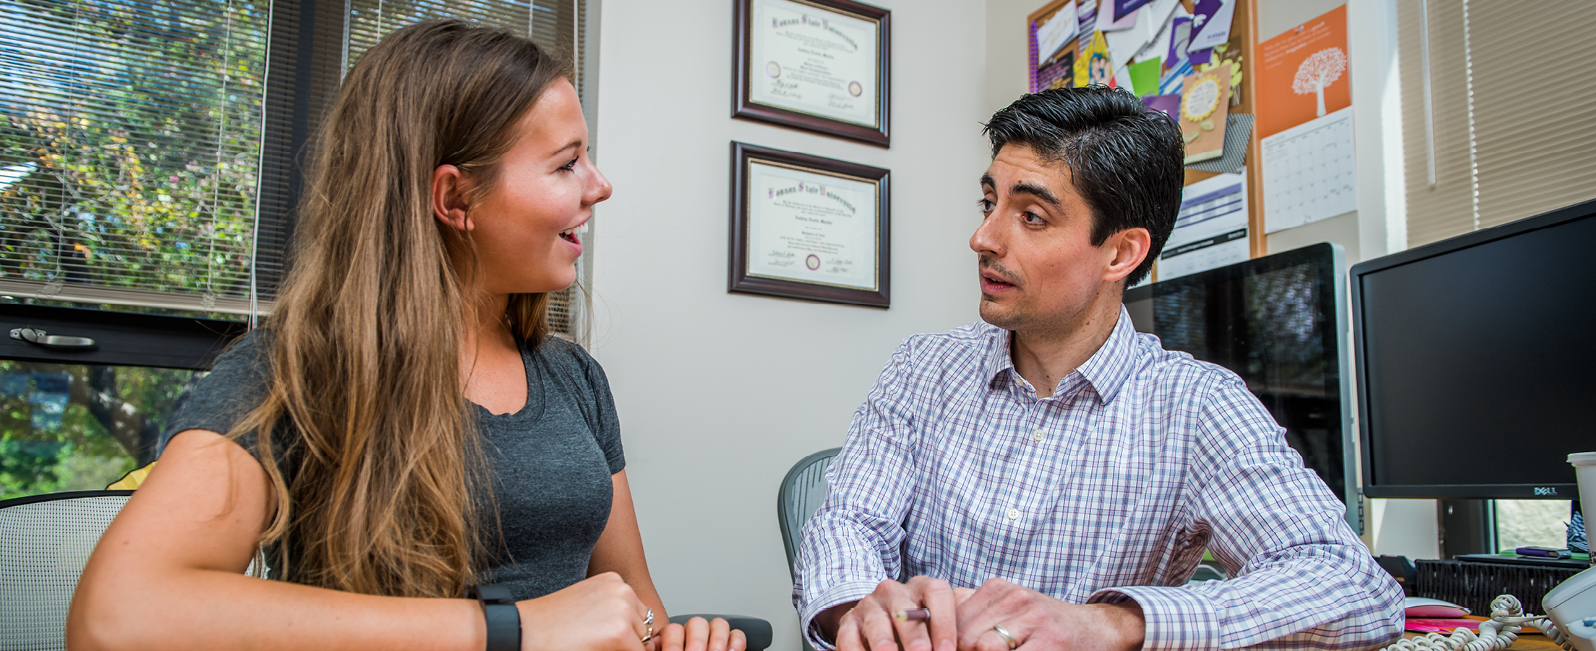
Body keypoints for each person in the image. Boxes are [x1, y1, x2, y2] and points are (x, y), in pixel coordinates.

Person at [68, 21, 745, 651]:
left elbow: (639, 608)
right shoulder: (291, 372)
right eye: (567, 163)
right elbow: (118, 615)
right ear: (454, 200)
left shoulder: (574, 377)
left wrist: (668, 639)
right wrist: (512, 629)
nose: (600, 186)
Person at [792, 87, 1404, 651]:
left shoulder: (1195, 406)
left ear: (1120, 252)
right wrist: (858, 611)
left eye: (1031, 216)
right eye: (989, 203)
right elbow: (848, 523)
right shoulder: (923, 369)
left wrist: (1106, 623)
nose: (982, 237)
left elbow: (1354, 587)